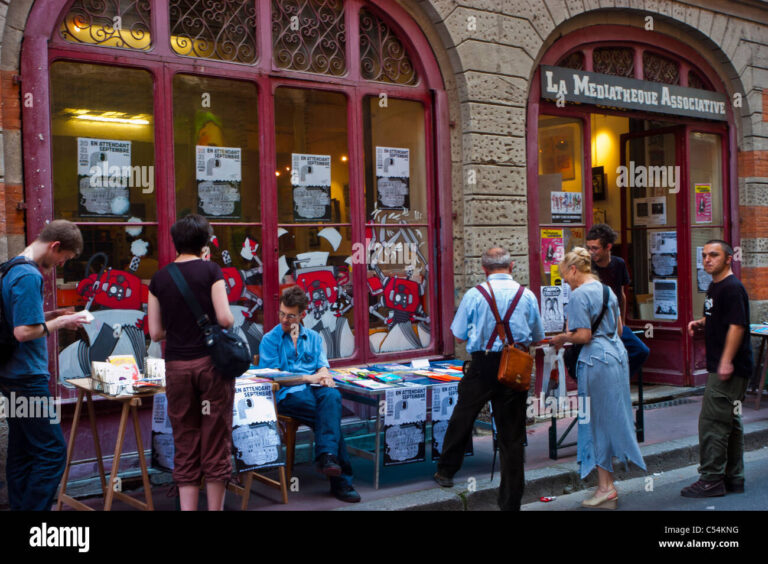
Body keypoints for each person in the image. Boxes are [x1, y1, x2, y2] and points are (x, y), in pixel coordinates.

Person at [434, 247, 544, 511]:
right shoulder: (526, 295)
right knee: (512, 434)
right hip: (514, 364)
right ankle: (510, 500)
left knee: (463, 415)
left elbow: (459, 336)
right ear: (512, 266)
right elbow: (537, 337)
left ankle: (447, 471)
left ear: (484, 269)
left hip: (483, 363)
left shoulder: (474, 294)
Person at [0, 220, 92, 510]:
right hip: (28, 378)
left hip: (10, 376)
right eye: (64, 258)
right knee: (52, 453)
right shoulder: (29, 276)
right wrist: (62, 322)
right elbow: (23, 332)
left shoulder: (10, 267)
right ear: (55, 246)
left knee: (23, 451)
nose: (62, 264)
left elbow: (17, 318)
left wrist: (50, 313)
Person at [148, 214, 235, 511]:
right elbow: (225, 319)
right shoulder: (211, 270)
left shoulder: (160, 278)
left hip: (177, 368)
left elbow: (156, 333)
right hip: (210, 367)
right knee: (215, 436)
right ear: (205, 243)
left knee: (184, 439)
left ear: (175, 242)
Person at [550, 247, 646, 509]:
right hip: (616, 356)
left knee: (594, 422)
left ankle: (606, 487)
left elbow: (584, 336)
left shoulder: (580, 295)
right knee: (610, 418)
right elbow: (619, 328)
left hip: (596, 360)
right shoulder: (607, 290)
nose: (565, 281)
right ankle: (606, 484)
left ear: (573, 269)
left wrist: (562, 338)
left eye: (564, 276)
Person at [258, 285, 361, 503]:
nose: (284, 320)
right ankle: (341, 481)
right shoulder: (270, 339)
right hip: (287, 395)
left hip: (314, 392)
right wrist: (308, 378)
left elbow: (322, 367)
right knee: (329, 417)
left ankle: (327, 457)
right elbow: (272, 379)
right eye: (282, 314)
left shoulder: (313, 338)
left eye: (291, 316)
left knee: (332, 395)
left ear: (303, 315)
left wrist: (325, 376)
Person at [682, 240, 753, 497]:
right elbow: (722, 317)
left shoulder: (732, 288)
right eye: (703, 256)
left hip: (730, 368)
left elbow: (737, 325)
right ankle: (734, 478)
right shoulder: (716, 286)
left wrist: (726, 360)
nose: (707, 260)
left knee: (712, 422)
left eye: (713, 255)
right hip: (729, 366)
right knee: (730, 422)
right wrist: (702, 322)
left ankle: (711, 480)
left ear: (728, 258)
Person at [586, 224, 649, 378]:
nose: (591, 252)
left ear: (608, 247)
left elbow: (622, 294)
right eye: (589, 248)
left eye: (595, 248)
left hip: (615, 322)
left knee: (641, 350)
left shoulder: (618, 264)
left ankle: (620, 378)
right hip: (595, 324)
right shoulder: (588, 267)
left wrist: (623, 320)